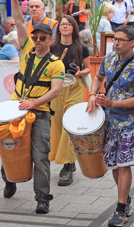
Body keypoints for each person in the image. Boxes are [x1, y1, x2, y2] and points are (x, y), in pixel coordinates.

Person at [6, 0, 65, 214]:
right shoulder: (27, 47)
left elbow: (56, 91)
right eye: (36, 37)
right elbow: (20, 22)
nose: (38, 40)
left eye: (42, 38)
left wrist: (33, 103)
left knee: (40, 156)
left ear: (50, 39)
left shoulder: (56, 63)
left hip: (39, 112)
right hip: (16, 108)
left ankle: (42, 198)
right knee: (10, 148)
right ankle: (9, 178)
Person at [86, 25, 134, 227]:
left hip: (129, 122)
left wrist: (113, 103)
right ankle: (125, 197)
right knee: (113, 163)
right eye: (115, 39)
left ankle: (121, 208)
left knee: (123, 164)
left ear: (132, 43)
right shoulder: (109, 59)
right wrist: (92, 95)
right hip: (108, 119)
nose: (116, 42)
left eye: (121, 40)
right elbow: (97, 77)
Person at [49, 15, 91, 186]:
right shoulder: (52, 47)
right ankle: (70, 160)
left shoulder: (81, 47)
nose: (65, 26)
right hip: (56, 89)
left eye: (68, 24)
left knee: (69, 125)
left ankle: (67, 166)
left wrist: (79, 72)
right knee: (58, 124)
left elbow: (88, 68)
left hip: (74, 87)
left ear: (74, 27)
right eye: (62, 24)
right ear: (59, 28)